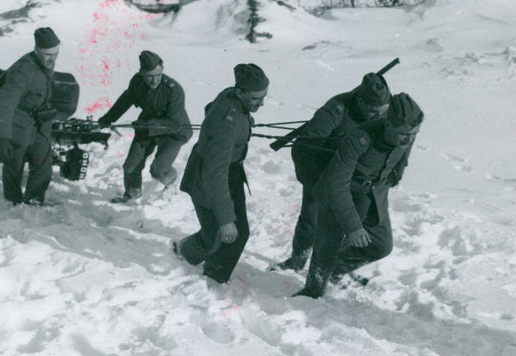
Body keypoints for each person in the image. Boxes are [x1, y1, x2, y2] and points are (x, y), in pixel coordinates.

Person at [294, 92, 424, 299]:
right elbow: (336, 184)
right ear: (387, 123)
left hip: (373, 194)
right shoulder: (359, 138)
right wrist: (353, 226)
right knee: (326, 247)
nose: (409, 139)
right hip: (338, 195)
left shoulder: (406, 135)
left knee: (381, 246)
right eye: (403, 134)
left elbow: (402, 158)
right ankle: (312, 293)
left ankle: (335, 270)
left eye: (413, 133)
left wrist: (395, 176)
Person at [274, 72, 391, 271]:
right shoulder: (336, 110)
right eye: (373, 113)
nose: (379, 118)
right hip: (323, 172)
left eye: (382, 112)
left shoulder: (385, 111)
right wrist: (319, 187)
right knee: (311, 220)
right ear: (360, 102)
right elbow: (303, 149)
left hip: (358, 177)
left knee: (352, 224)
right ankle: (297, 261)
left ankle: (336, 266)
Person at [173, 63, 269, 284]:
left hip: (230, 172)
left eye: (263, 97)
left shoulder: (230, 97)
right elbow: (215, 174)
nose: (261, 103)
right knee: (221, 232)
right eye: (255, 99)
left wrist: (245, 120)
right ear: (239, 92)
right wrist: (226, 220)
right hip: (209, 178)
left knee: (237, 232)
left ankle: (207, 268)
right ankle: (207, 276)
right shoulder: (227, 123)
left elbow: (210, 107)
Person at [97, 51, 192, 203]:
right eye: (149, 76)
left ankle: (171, 182)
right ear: (141, 73)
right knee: (130, 167)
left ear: (162, 70)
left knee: (158, 170)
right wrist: (108, 118)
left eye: (158, 75)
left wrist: (147, 124)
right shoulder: (137, 82)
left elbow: (173, 122)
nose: (154, 80)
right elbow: (125, 100)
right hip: (147, 127)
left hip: (174, 132)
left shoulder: (174, 90)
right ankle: (133, 194)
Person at [0, 26, 61, 206]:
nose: (52, 58)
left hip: (39, 121)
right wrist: (2, 138)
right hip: (18, 119)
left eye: (55, 53)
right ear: (37, 50)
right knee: (14, 165)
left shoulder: (46, 62)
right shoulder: (23, 71)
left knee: (44, 168)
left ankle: (34, 201)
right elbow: (4, 102)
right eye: (48, 54)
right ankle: (12, 202)